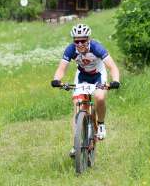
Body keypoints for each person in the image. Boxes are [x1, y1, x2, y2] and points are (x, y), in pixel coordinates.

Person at [51, 24, 120, 156]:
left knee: (99, 97)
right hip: (82, 76)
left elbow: (113, 67)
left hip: (98, 75)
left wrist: (115, 81)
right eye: (77, 41)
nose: (80, 43)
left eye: (83, 40)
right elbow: (61, 69)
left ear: (89, 39)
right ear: (74, 41)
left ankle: (100, 124)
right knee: (77, 106)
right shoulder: (71, 49)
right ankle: (75, 144)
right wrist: (57, 80)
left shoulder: (96, 48)